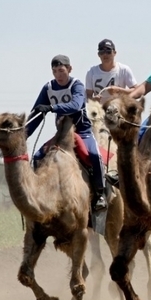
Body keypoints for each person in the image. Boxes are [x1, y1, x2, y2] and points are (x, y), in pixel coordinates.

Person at [27, 54, 107, 211]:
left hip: (82, 132)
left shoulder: (76, 85)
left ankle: (100, 193)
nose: (58, 75)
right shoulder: (48, 88)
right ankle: (38, 194)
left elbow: (76, 105)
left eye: (62, 70)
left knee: (94, 155)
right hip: (62, 134)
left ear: (69, 69)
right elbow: (36, 115)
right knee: (37, 157)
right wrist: (22, 135)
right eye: (55, 71)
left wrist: (52, 107)